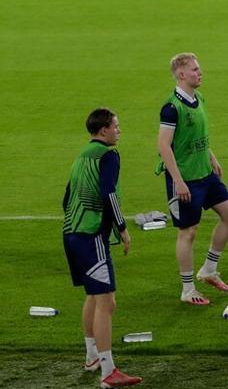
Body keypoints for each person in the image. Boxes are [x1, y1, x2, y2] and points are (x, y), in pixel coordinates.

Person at [62, 108, 141, 388]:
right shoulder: (109, 155)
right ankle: (109, 371)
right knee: (107, 302)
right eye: (116, 126)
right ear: (103, 130)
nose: (119, 130)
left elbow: (67, 196)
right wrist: (122, 228)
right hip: (91, 235)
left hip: (71, 233)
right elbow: (109, 192)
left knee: (94, 297)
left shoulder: (83, 155)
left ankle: (92, 357)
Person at [157, 53, 228, 306]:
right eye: (194, 70)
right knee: (188, 232)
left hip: (205, 173)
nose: (199, 73)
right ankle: (187, 289)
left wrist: (212, 157)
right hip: (186, 180)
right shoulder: (172, 108)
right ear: (181, 75)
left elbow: (197, 134)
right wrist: (178, 181)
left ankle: (208, 269)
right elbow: (164, 145)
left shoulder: (198, 98)